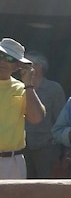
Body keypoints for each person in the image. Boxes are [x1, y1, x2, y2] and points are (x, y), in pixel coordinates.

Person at [0, 38, 45, 180]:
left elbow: (36, 118)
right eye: (0, 56)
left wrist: (29, 85)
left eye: (9, 58)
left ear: (18, 66)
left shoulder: (22, 88)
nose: (3, 61)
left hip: (12, 161)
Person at [23, 51, 66, 179]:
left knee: (46, 186)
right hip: (23, 148)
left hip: (46, 147)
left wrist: (56, 144)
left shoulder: (54, 89)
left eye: (27, 65)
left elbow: (61, 119)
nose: (22, 69)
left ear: (38, 67)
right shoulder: (19, 87)